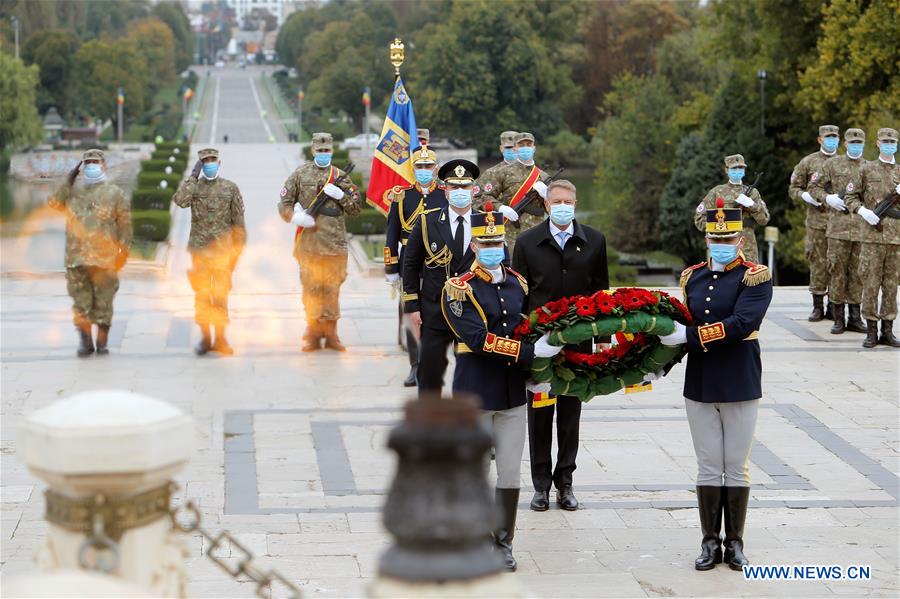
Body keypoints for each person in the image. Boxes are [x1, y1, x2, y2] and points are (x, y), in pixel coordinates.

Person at [441, 205, 562, 571]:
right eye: (486, 242)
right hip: (475, 392)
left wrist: (540, 363)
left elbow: (525, 326)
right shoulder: (458, 289)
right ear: (474, 246)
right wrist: (528, 353)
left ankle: (502, 542)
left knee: (510, 472)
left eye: (498, 241)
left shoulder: (517, 283)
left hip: (511, 393)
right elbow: (477, 339)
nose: (493, 247)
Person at [661, 199, 773, 572]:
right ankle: (710, 542)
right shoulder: (692, 277)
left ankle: (736, 543)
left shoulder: (755, 276)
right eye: (714, 237)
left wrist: (688, 336)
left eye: (727, 237)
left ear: (740, 239)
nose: (720, 242)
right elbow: (683, 325)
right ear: (706, 239)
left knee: (735, 465)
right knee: (708, 465)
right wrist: (656, 363)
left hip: (739, 375)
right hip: (703, 379)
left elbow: (742, 323)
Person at [512, 179, 609, 512]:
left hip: (578, 343)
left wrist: (603, 342)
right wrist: (522, 344)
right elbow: (519, 297)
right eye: (557, 201)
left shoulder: (594, 241)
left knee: (570, 414)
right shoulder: (526, 243)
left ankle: (565, 482)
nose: (564, 206)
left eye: (569, 200)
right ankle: (540, 485)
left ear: (576, 202)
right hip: (540, 347)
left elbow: (602, 295)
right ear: (547, 205)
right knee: (540, 414)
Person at [278, 132, 361, 351]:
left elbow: (355, 208)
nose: (324, 154)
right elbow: (284, 203)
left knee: (332, 289)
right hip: (310, 244)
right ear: (313, 150)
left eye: (327, 151)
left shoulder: (341, 176)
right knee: (312, 289)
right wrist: (295, 217)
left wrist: (341, 196)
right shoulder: (300, 174)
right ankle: (314, 332)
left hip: (335, 245)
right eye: (320, 150)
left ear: (331, 151)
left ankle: (331, 334)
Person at [402, 159, 479, 395]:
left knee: (472, 374)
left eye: (464, 187)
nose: (459, 192)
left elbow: (502, 266)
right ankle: (428, 423)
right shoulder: (428, 221)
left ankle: (467, 424)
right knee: (430, 372)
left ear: (473, 190)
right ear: (445, 190)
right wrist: (412, 306)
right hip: (435, 309)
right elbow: (411, 264)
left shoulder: (486, 224)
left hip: (474, 311)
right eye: (454, 187)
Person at [48, 149, 132, 357]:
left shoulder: (115, 194)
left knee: (104, 303)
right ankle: (85, 342)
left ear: (104, 166)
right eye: (88, 163)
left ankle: (102, 342)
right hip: (77, 259)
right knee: (81, 304)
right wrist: (68, 182)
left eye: (95, 162)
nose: (92, 166)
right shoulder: (74, 194)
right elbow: (53, 204)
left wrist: (123, 253)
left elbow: (125, 227)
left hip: (105, 260)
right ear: (82, 168)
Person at [173, 148, 246, 355]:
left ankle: (221, 339)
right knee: (203, 297)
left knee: (221, 298)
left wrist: (236, 255)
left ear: (219, 162)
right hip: (200, 254)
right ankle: (206, 339)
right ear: (201, 164)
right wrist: (192, 177)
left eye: (213, 159)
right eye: (205, 160)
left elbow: (238, 225)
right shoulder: (194, 188)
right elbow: (180, 201)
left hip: (223, 255)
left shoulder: (230, 188)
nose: (210, 163)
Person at [384, 146, 447, 386]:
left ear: (436, 168)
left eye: (428, 166)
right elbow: (391, 234)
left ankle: (434, 363)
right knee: (411, 315)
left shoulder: (444, 195)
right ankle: (415, 365)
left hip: (438, 262)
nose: (424, 171)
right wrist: (391, 268)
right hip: (410, 263)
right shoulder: (402, 196)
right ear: (413, 169)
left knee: (437, 314)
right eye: (419, 167)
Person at [808, 128, 868, 334]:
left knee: (857, 274)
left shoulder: (869, 168)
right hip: (837, 229)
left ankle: (855, 317)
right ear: (846, 143)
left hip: (861, 229)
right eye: (852, 142)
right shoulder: (832, 164)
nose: (856, 145)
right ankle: (838, 317)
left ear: (864, 144)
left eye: (859, 142)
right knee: (837, 272)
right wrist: (827, 198)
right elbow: (813, 186)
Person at [844, 127, 900, 348]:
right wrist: (861, 211)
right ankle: (871, 331)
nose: (889, 145)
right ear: (877, 143)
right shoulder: (866, 169)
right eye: (885, 141)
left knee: (891, 285)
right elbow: (850, 196)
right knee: (870, 283)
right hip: (871, 237)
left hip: (895, 238)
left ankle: (888, 330)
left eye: (893, 141)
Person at [789, 125, 841, 321]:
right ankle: (818, 306)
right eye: (828, 137)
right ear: (820, 139)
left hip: (840, 223)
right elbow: (793, 188)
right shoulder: (808, 162)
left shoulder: (845, 163)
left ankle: (834, 306)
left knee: (837, 264)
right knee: (818, 263)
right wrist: (804, 196)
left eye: (835, 137)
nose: (832, 140)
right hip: (817, 222)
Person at [476, 132, 550, 255]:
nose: (525, 148)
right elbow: (481, 197)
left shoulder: (543, 176)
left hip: (537, 235)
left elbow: (556, 212)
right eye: (521, 145)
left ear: (534, 148)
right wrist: (500, 207)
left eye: (528, 144)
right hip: (511, 236)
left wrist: (548, 197)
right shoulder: (501, 172)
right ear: (515, 148)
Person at [694, 154, 769, 263]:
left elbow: (763, 220)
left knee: (749, 277)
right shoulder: (716, 192)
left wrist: (752, 205)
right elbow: (699, 220)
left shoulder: (753, 193)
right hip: (723, 246)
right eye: (734, 168)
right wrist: (721, 226)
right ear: (726, 170)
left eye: (741, 168)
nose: (738, 170)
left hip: (748, 247)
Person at [474, 130, 518, 208]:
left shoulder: (531, 172)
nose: (512, 150)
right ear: (501, 148)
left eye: (515, 147)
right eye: (508, 147)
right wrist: (498, 208)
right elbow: (476, 200)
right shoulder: (490, 173)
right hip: (499, 218)